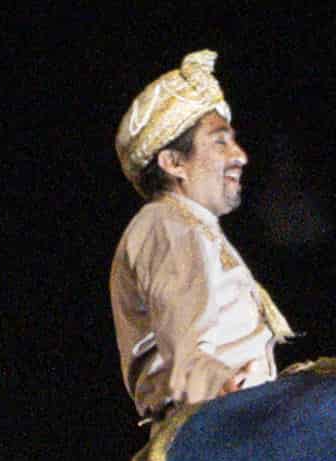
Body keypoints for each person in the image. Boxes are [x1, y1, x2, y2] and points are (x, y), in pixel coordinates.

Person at [109, 51, 288, 421]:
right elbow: (186, 362)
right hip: (215, 421)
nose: (239, 156)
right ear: (174, 163)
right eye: (220, 142)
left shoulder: (192, 225)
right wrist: (223, 389)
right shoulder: (166, 225)